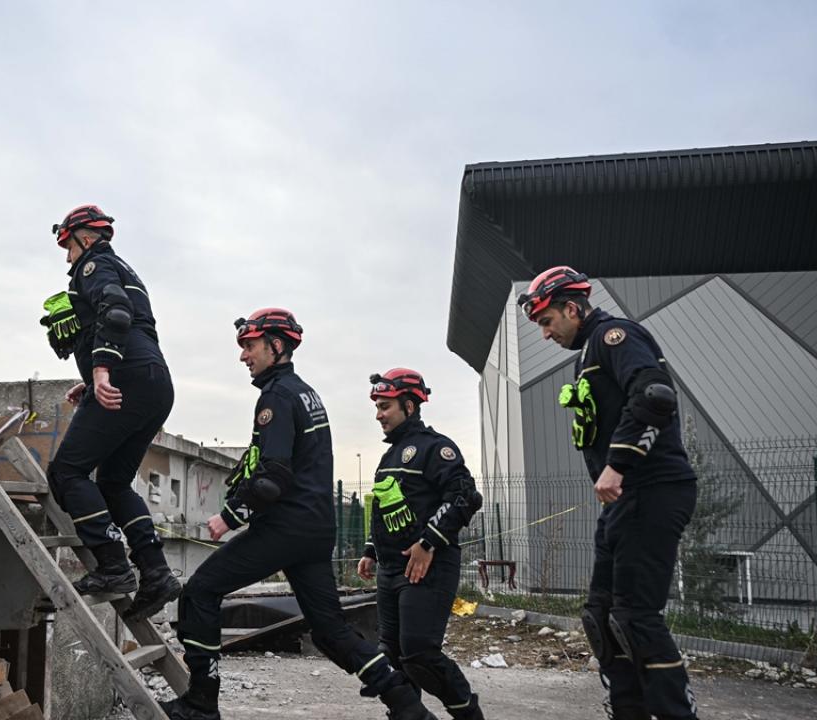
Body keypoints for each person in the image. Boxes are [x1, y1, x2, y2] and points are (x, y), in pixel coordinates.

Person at [162, 309, 437, 720]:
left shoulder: (277, 396)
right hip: (314, 530)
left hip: (285, 528)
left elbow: (273, 476)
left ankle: (201, 702)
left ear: (276, 346)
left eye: (250, 346)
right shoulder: (306, 393)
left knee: (199, 592)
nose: (243, 356)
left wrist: (230, 516)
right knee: (330, 632)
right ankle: (406, 704)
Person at [519, 266, 699, 720]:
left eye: (547, 321)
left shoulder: (615, 337)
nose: (545, 334)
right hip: (625, 501)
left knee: (636, 615)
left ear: (572, 309)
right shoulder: (588, 353)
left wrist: (617, 464)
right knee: (602, 617)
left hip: (653, 489)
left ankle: (676, 712)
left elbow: (655, 395)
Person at [39, 204, 180, 621]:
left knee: (67, 472)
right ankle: (156, 572)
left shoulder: (94, 265)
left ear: (85, 238)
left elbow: (115, 311)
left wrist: (101, 370)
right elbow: (134, 328)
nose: (68, 257)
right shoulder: (124, 269)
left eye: (69, 247)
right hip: (154, 381)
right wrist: (92, 378)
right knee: (115, 482)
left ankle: (113, 564)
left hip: (126, 379)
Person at [358, 369, 485, 720]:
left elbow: (464, 496)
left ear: (409, 407)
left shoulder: (436, 448)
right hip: (390, 570)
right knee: (393, 656)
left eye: (385, 406)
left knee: (419, 654)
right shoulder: (389, 456)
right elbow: (384, 506)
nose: (378, 415)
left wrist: (428, 542)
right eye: (377, 407)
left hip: (428, 568)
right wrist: (370, 550)